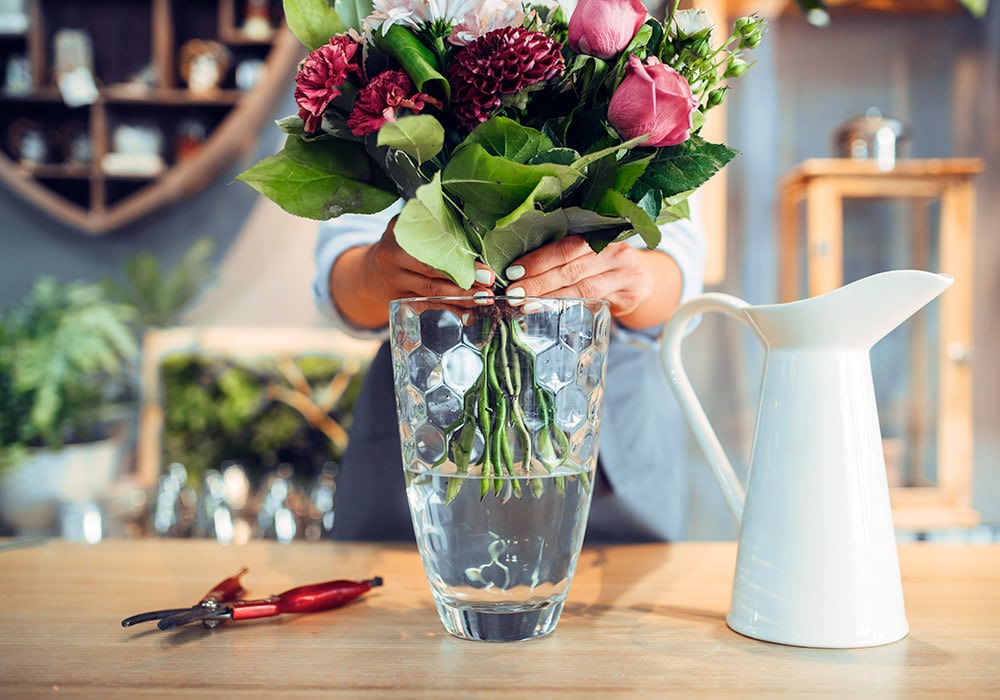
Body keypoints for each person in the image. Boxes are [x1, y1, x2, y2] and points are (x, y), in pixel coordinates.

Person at [312, 198, 705, 542]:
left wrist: (632, 278)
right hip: (428, 429)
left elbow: (678, 262)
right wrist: (376, 274)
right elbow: (344, 267)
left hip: (601, 439)